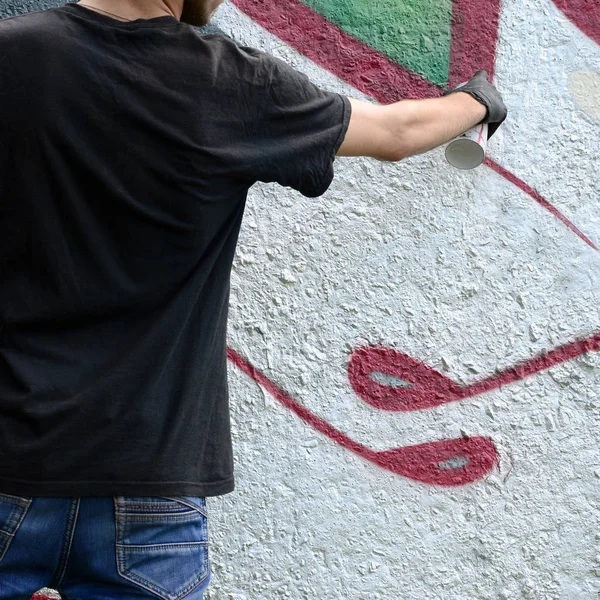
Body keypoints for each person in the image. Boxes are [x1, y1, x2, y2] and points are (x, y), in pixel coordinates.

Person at [0, 0, 507, 598]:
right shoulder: (231, 82)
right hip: (148, 484)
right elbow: (397, 133)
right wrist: (477, 100)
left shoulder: (14, 52)